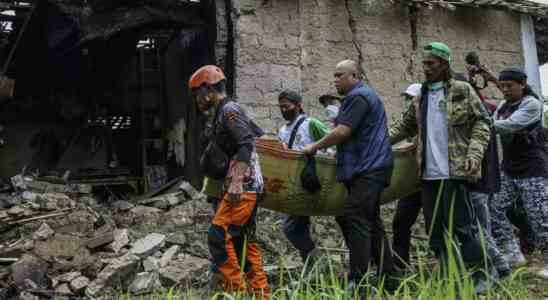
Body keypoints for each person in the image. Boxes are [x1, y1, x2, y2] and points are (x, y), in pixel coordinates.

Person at [389, 42, 492, 291]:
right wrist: (375, 142)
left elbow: (483, 123)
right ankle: (452, 278)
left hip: (455, 172)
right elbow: (403, 128)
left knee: (463, 228)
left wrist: (474, 153)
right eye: (424, 64)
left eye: (431, 64)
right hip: (428, 176)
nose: (426, 68)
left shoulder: (462, 90)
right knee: (435, 232)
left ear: (444, 64)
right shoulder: (420, 97)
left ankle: (483, 276)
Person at [303, 60, 398, 293]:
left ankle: (359, 281)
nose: (335, 80)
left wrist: (314, 147)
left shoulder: (358, 97)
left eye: (340, 75)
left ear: (354, 75)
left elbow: (343, 132)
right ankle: (390, 277)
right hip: (371, 167)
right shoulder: (359, 97)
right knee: (372, 222)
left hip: (369, 168)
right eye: (334, 76)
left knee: (355, 217)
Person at [189, 65, 270, 298]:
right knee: (244, 242)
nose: (197, 100)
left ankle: (237, 290)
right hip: (249, 186)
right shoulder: (224, 113)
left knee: (218, 235)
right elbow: (257, 135)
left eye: (197, 94)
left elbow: (247, 142)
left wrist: (236, 181)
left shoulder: (229, 110)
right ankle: (261, 294)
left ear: (207, 89)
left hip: (242, 187)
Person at [489, 68, 548, 279]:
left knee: (540, 218)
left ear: (521, 85)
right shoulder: (504, 106)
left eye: (509, 86)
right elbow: (495, 120)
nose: (505, 89)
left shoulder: (531, 104)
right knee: (493, 208)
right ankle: (513, 253)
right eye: (502, 86)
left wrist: (481, 123)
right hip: (510, 168)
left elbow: (510, 125)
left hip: (532, 169)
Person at [276, 89, 330, 264]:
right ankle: (311, 262)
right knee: (295, 226)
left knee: (290, 226)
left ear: (298, 105)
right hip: (293, 182)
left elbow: (331, 141)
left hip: (312, 179)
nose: (284, 110)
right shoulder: (282, 130)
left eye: (287, 106)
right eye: (281, 107)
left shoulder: (311, 124)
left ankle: (312, 258)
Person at [391, 83, 423, 271]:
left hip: (430, 180)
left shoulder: (430, 120)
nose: (407, 102)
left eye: (411, 98)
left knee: (436, 225)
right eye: (406, 98)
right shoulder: (408, 124)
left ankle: (448, 267)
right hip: (412, 182)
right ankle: (401, 265)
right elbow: (398, 134)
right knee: (400, 222)